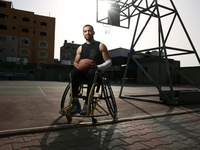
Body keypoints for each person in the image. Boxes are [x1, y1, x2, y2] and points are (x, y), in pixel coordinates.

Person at [70, 24, 112, 115]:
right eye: (85, 31)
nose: (87, 33)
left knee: (92, 72)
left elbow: (109, 61)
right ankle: (75, 102)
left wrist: (98, 67)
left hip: (96, 74)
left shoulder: (100, 46)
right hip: (83, 74)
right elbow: (75, 62)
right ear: (83, 33)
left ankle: (88, 103)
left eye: (89, 31)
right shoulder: (81, 48)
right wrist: (77, 66)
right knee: (73, 72)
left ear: (93, 32)